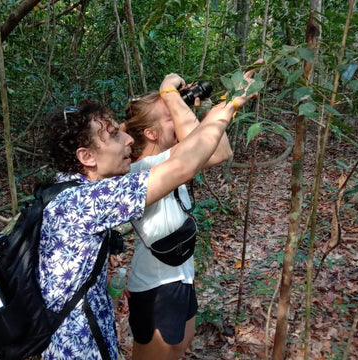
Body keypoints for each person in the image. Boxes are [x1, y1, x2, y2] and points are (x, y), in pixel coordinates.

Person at [37, 66, 258, 360]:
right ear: (86, 157)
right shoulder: (87, 199)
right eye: (114, 135)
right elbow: (192, 161)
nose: (128, 138)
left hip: (92, 338)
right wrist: (226, 103)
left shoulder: (73, 188)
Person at [122, 64, 262, 360]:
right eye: (169, 115)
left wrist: (187, 104)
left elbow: (214, 143)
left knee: (179, 348)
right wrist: (169, 94)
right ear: (150, 132)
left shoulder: (172, 158)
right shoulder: (141, 171)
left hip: (179, 276)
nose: (176, 115)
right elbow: (219, 151)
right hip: (155, 287)